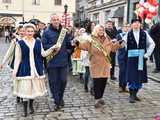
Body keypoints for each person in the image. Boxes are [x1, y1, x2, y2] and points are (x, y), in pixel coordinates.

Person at [12, 23, 58, 117]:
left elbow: (43, 54)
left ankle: (31, 105)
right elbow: (17, 58)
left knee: (33, 90)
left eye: (31, 31)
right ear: (24, 32)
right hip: (25, 69)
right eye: (28, 31)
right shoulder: (20, 43)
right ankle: (25, 110)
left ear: (34, 32)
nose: (30, 33)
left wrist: (52, 48)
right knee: (25, 90)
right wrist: (15, 71)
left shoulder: (38, 42)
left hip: (36, 69)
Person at [75, 25, 123, 108]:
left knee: (103, 81)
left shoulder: (107, 38)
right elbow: (83, 46)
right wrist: (76, 43)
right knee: (97, 82)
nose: (101, 31)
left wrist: (119, 44)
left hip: (105, 63)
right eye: (99, 30)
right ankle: (97, 99)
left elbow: (112, 48)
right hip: (95, 63)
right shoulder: (91, 39)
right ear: (96, 30)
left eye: (102, 30)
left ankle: (100, 97)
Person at [42, 14, 74, 111]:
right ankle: (57, 101)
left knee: (63, 81)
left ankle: (60, 97)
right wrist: (54, 47)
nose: (56, 21)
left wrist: (67, 52)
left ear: (60, 21)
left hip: (63, 62)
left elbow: (69, 45)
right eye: (54, 20)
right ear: (51, 21)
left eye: (57, 20)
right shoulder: (46, 33)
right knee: (53, 82)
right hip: (52, 62)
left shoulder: (64, 32)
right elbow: (44, 46)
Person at [123, 17, 155, 103]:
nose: (136, 24)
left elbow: (152, 44)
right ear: (132, 25)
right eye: (134, 22)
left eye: (138, 22)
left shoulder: (144, 33)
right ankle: (131, 95)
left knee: (139, 76)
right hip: (131, 59)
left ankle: (135, 94)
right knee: (131, 76)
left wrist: (147, 54)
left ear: (140, 24)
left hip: (141, 57)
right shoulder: (128, 34)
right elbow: (123, 44)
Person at [0, 25, 25, 103]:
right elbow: (9, 52)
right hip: (16, 63)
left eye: (24, 30)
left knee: (24, 80)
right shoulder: (15, 41)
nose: (22, 32)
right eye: (21, 30)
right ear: (18, 31)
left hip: (25, 63)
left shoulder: (29, 40)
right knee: (16, 79)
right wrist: (3, 63)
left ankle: (23, 94)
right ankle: (18, 94)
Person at [116, 24, 130, 92]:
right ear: (122, 28)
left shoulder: (131, 35)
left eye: (128, 27)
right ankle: (120, 86)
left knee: (127, 71)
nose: (127, 28)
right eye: (125, 27)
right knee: (122, 71)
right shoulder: (119, 35)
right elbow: (117, 45)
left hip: (129, 56)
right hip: (121, 56)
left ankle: (125, 86)